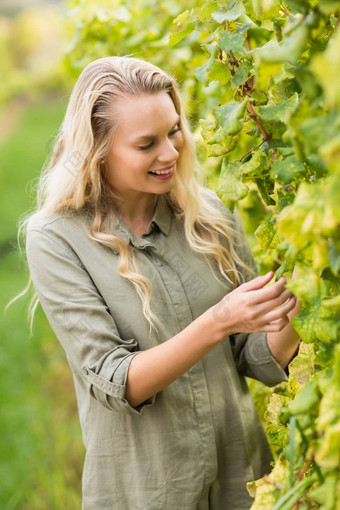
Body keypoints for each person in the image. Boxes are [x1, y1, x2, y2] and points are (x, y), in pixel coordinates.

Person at [21, 56, 300, 509]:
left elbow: (253, 358)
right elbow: (117, 383)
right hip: (147, 491)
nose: (170, 152)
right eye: (146, 143)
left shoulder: (206, 214)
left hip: (243, 482)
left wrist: (306, 288)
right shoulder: (56, 238)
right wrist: (219, 320)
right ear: (97, 150)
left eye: (173, 131)